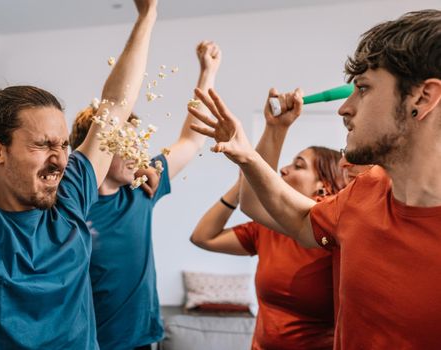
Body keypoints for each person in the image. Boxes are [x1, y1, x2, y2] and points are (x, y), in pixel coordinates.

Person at [188, 9, 441, 349]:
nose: (344, 108)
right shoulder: (365, 194)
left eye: (363, 89)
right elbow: (296, 216)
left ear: (422, 98)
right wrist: (247, 155)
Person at [0, 0, 157, 348]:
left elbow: (116, 107)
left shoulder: (70, 200)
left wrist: (148, 16)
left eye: (63, 145)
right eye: (43, 145)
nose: (59, 159)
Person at [70, 41, 222, 350]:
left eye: (137, 142)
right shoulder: (72, 203)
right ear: (98, 149)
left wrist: (207, 73)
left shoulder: (141, 189)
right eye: (123, 144)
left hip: (143, 338)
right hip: (92, 342)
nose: (136, 151)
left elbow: (191, 141)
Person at [190, 95, 345, 349]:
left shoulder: (334, 233)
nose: (284, 169)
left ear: (324, 187)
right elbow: (203, 236)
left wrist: (250, 168)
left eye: (298, 165)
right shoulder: (268, 229)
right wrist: (242, 181)